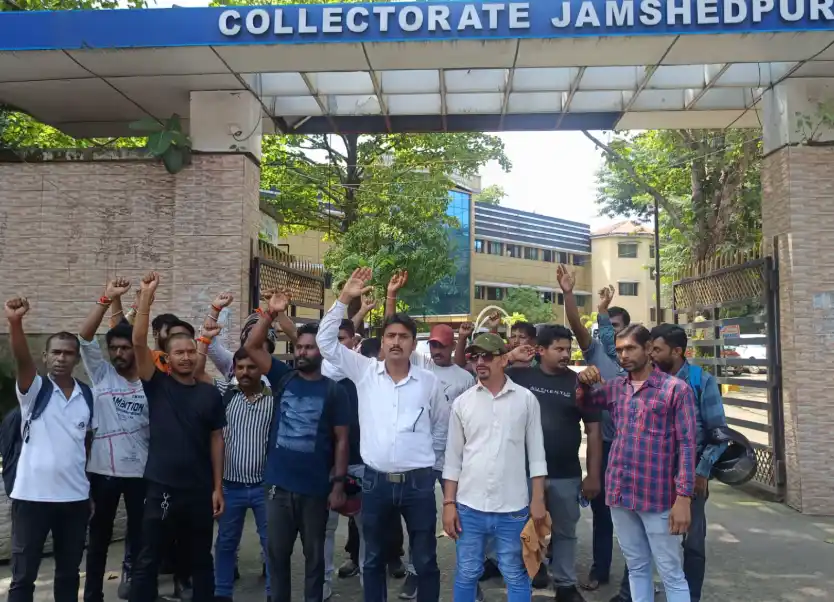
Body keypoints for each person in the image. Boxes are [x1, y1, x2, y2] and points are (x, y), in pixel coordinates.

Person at [316, 267, 446, 602]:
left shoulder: (429, 382)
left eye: (403, 336)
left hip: (419, 484)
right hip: (375, 482)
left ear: (413, 343)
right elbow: (325, 342)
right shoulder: (364, 372)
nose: (396, 342)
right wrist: (344, 298)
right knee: (373, 559)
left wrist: (430, 468)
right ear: (382, 342)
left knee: (425, 560)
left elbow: (440, 428)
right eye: (390, 336)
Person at [244, 291, 350, 602]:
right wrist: (270, 313)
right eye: (299, 346)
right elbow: (251, 346)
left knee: (314, 559)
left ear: (321, 352)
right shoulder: (284, 377)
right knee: (276, 558)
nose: (302, 352)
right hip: (278, 488)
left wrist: (338, 485)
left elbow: (342, 440)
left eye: (309, 347)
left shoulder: (334, 391)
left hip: (315, 490)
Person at [578, 324, 697, 602]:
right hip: (620, 492)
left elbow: (688, 446)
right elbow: (584, 405)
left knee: (670, 572)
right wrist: (582, 383)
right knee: (636, 567)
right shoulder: (616, 388)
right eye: (620, 350)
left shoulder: (675, 390)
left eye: (630, 348)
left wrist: (684, 498)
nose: (624, 355)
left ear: (648, 348)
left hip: (658, 496)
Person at [128, 272, 226, 602]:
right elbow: (138, 342)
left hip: (198, 491)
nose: (185, 357)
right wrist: (146, 297)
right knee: (148, 558)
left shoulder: (209, 394)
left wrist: (217, 487)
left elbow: (217, 440)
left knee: (200, 560)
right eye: (179, 353)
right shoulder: (156, 385)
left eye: (190, 351)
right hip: (162, 488)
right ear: (167, 359)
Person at [385, 271, 476, 600]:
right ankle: (414, 574)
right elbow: (392, 335)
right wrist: (391, 297)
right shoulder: (419, 368)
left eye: (442, 345)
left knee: (463, 517)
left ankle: (471, 577)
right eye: (433, 344)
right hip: (422, 457)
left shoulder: (464, 378)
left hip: (454, 458)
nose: (436, 349)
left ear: (451, 347)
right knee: (420, 524)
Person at [442, 332, 547, 602]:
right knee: (467, 572)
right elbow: (453, 459)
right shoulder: (462, 403)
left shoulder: (525, 399)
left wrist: (538, 499)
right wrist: (449, 504)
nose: (480, 361)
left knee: (515, 573)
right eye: (474, 356)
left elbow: (537, 455)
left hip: (513, 508)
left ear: (503, 359)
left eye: (487, 356)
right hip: (469, 507)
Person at [3, 298, 93, 602]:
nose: (61, 358)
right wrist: (15, 322)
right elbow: (21, 359)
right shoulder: (35, 390)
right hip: (32, 499)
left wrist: (89, 489)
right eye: (55, 352)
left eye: (68, 353)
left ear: (77, 359)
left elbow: (86, 445)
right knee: (23, 576)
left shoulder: (87, 396)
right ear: (45, 356)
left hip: (75, 500)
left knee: (68, 575)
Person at [506, 325, 603, 602]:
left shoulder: (579, 384)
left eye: (568, 349)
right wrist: (510, 356)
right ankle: (530, 573)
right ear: (541, 350)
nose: (565, 354)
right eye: (558, 349)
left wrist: (593, 475)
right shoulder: (519, 377)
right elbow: (479, 370)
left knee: (565, 531)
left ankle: (565, 584)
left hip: (565, 473)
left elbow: (594, 430)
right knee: (525, 528)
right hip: (523, 472)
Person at [191, 321, 275, 602]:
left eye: (251, 367)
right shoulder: (225, 392)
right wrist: (204, 339)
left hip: (264, 487)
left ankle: (273, 593)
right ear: (234, 370)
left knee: (271, 545)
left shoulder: (274, 399)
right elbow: (197, 373)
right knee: (226, 543)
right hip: (230, 487)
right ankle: (222, 593)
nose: (245, 372)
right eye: (240, 367)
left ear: (261, 369)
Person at [77, 279, 149, 602]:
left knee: (139, 535)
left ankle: (134, 584)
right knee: (99, 537)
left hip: (140, 473)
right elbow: (83, 337)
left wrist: (141, 303)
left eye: (125, 348)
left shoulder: (150, 381)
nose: (119, 353)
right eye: (114, 349)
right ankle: (92, 593)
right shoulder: (102, 374)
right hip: (102, 472)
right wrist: (107, 298)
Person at [649, 324, 729, 602]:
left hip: (690, 475)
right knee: (644, 539)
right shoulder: (648, 379)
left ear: (677, 351)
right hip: (652, 475)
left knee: (692, 542)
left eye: (657, 349)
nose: (651, 354)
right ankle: (631, 593)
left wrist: (701, 471)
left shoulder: (700, 381)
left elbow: (719, 434)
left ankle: (690, 596)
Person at [558, 265, 625, 593]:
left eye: (615, 327)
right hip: (607, 446)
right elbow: (576, 325)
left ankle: (637, 580)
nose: (609, 332)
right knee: (602, 512)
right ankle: (601, 569)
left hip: (639, 450)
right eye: (606, 326)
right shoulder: (597, 353)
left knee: (641, 516)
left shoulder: (642, 365)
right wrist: (569, 294)